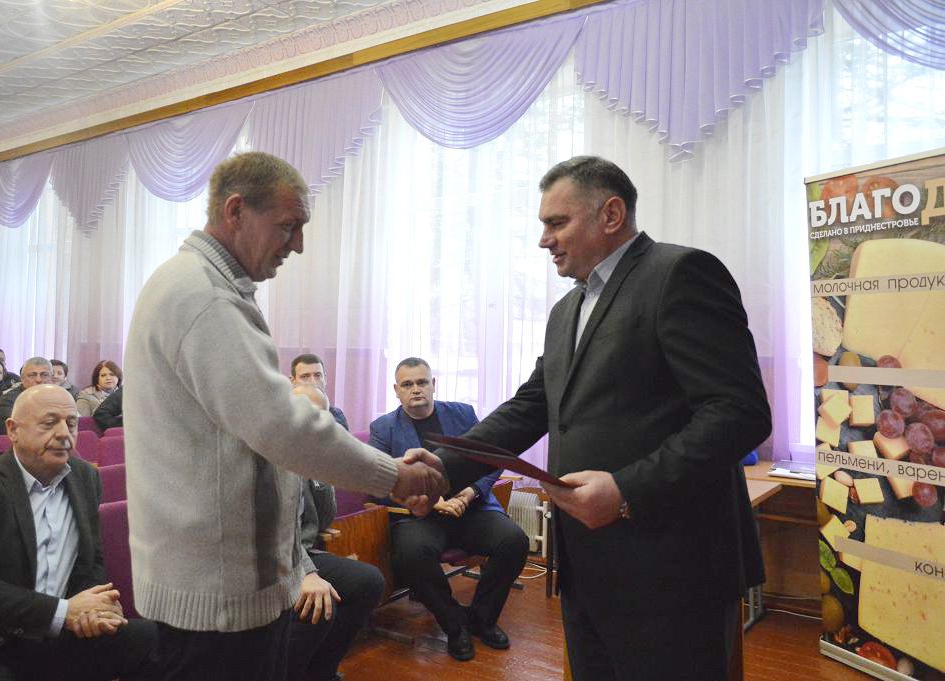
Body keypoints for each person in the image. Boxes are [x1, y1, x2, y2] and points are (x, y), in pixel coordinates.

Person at [426, 156, 771, 681]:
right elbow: (533, 405)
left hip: (672, 569)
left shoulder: (680, 274)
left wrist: (627, 489)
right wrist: (442, 466)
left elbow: (739, 412)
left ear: (611, 214)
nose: (544, 240)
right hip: (586, 565)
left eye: (557, 223)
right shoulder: (566, 309)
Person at [123, 151, 445, 681]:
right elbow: (280, 425)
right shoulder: (204, 296)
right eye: (288, 226)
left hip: (223, 584)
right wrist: (394, 475)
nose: (297, 244)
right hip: (216, 596)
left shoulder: (205, 285)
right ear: (235, 211)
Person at [0, 384, 159, 681]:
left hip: (58, 634)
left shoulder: (85, 477)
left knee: (157, 641)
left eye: (71, 423)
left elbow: (91, 561)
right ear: (13, 430)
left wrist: (96, 608)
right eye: (49, 423)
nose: (64, 433)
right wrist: (62, 612)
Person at [369, 357, 528, 661]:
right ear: (396, 390)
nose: (416, 389)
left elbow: (492, 458)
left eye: (421, 382)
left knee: (514, 541)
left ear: (433, 384)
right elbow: (378, 480)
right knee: (411, 555)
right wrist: (430, 499)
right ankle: (455, 625)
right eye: (407, 384)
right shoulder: (384, 428)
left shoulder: (463, 414)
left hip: (471, 508)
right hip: (421, 516)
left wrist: (469, 492)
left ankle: (481, 620)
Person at [288, 384, 385, 681]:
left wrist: (321, 469)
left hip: (305, 552)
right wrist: (305, 573)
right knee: (317, 603)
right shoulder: (272, 454)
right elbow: (272, 531)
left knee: (368, 581)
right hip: (273, 557)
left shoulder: (310, 454)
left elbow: (324, 518)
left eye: (321, 415)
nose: (314, 422)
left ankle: (321, 672)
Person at [0, 357, 55, 435]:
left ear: (51, 378)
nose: (38, 380)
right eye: (32, 375)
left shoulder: (58, 397)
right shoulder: (8, 401)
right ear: (22, 379)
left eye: (44, 375)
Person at [290, 353, 349, 429]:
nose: (313, 382)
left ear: (325, 379)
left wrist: (325, 409)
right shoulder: (284, 415)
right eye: (305, 377)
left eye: (317, 375)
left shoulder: (336, 414)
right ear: (293, 381)